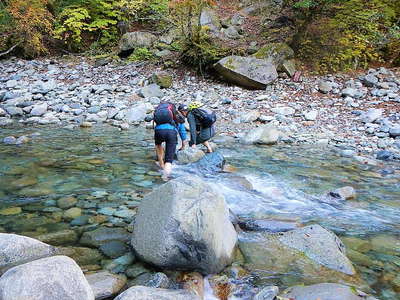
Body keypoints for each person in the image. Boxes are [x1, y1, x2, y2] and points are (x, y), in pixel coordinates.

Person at [153, 102, 187, 179]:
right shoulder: (175, 114)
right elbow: (182, 130)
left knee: (158, 144)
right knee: (168, 161)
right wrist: (183, 144)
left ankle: (161, 164)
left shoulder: (159, 112)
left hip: (158, 131)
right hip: (171, 132)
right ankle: (165, 178)